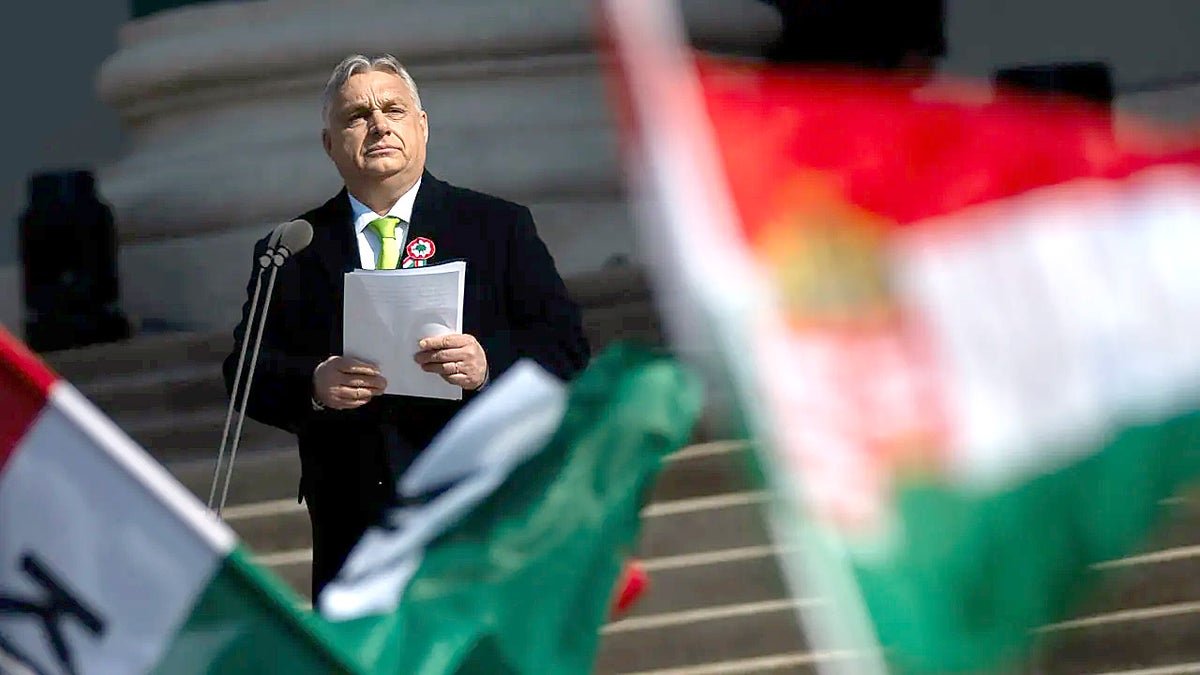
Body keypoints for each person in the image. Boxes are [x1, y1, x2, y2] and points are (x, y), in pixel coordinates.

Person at [223, 54, 590, 601]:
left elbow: (566, 349)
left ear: (422, 126)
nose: (378, 125)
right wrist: (314, 384)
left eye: (393, 110)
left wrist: (488, 364)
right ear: (329, 144)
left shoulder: (495, 226)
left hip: (475, 503)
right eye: (356, 116)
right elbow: (245, 370)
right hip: (353, 519)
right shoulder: (294, 247)